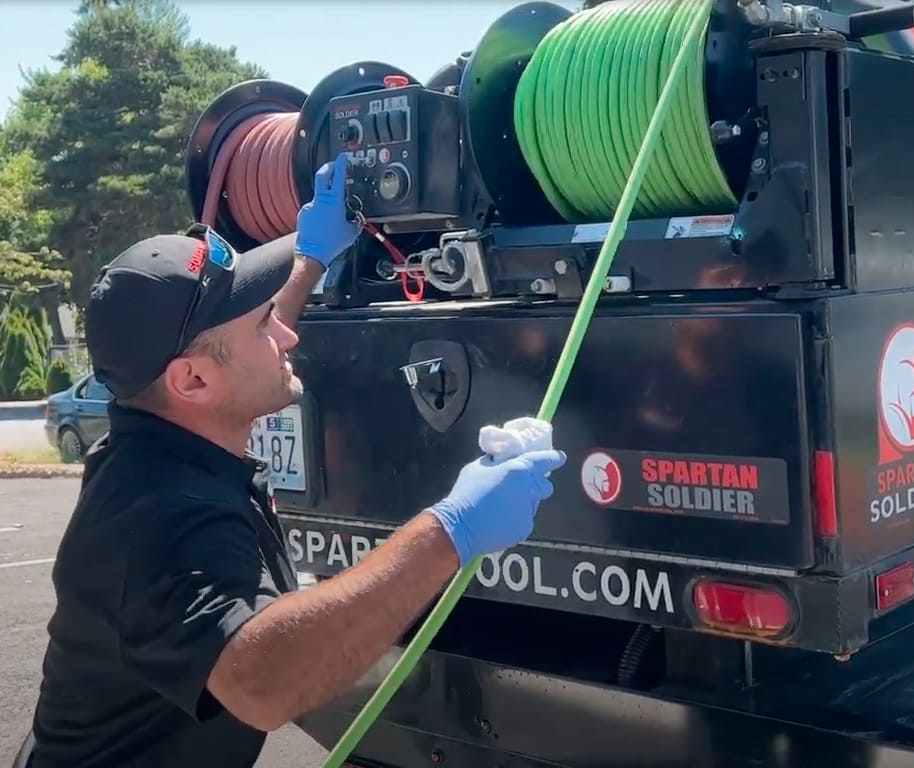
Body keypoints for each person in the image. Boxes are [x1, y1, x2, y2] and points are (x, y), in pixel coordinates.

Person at [21, 153, 566, 768]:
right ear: (191, 381)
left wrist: (310, 257)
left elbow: (238, 353)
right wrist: (452, 530)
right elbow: (261, 684)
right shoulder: (158, 520)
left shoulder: (161, 445)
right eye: (264, 326)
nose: (288, 336)